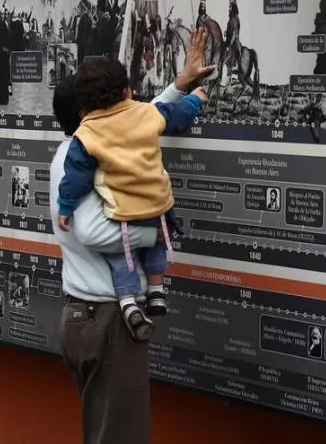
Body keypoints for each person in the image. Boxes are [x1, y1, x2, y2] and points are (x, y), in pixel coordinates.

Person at [52, 28, 213, 444]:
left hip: (91, 316)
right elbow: (91, 231)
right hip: (106, 319)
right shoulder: (80, 158)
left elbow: (142, 117)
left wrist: (180, 85)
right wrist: (155, 228)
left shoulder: (88, 146)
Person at [57, 56, 206, 340]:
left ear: (83, 105)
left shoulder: (86, 134)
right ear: (127, 91)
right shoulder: (145, 113)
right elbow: (178, 114)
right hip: (158, 207)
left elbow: (76, 176)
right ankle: (157, 293)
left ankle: (127, 303)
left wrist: (66, 206)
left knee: (119, 256)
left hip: (123, 213)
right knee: (156, 249)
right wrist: (196, 98)